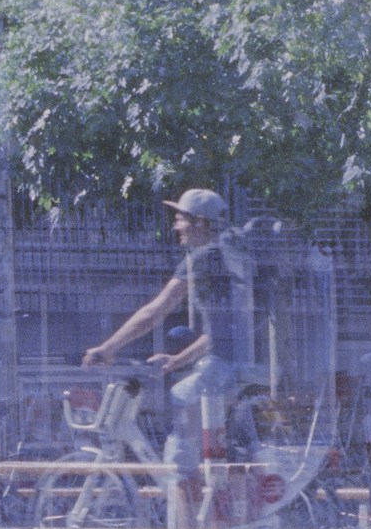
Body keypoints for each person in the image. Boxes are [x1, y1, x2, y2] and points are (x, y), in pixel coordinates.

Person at [86, 188, 255, 453]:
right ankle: (213, 482)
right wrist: (177, 360)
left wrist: (107, 348)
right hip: (242, 361)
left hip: (227, 365)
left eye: (181, 219)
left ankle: (184, 477)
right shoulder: (229, 258)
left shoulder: (202, 259)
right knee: (219, 444)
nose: (176, 226)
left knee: (180, 413)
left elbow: (156, 311)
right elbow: (219, 334)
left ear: (200, 222)